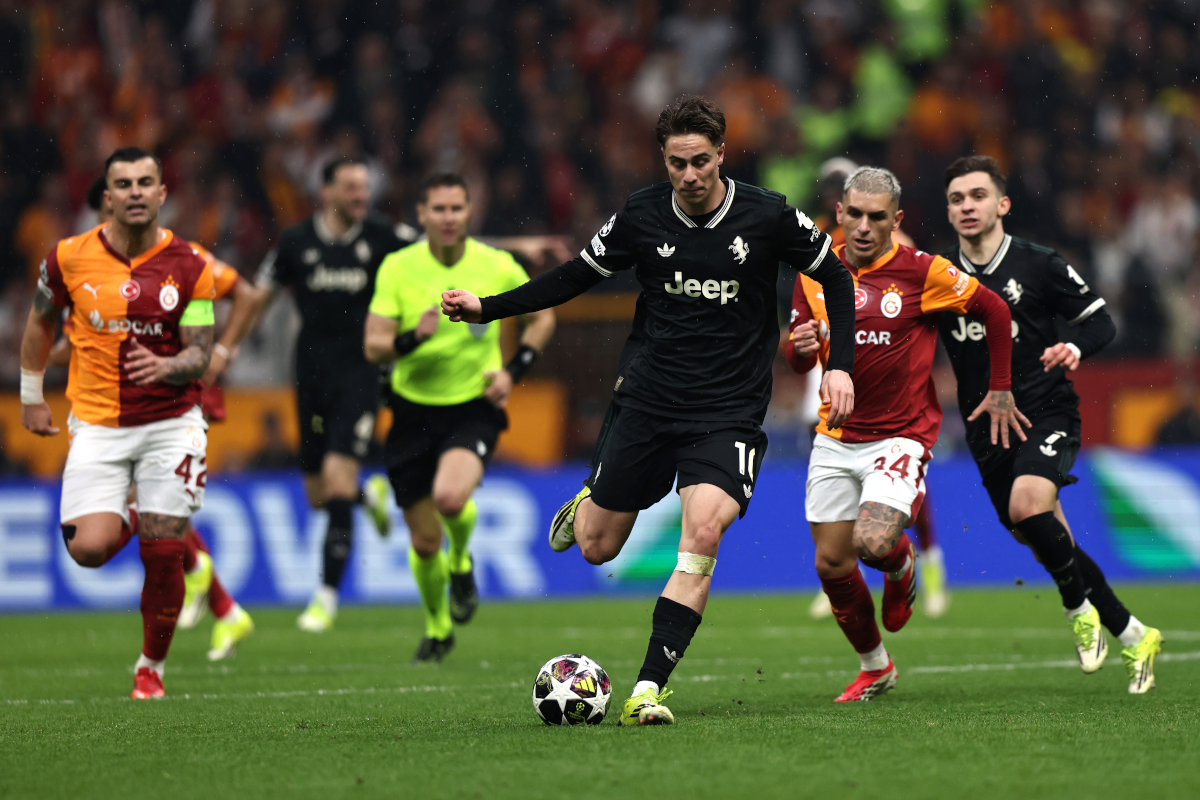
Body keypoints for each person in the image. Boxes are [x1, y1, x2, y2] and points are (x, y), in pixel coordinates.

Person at [441, 96, 858, 725]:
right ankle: (588, 499)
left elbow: (840, 278)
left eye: (699, 161)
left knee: (704, 532)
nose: (688, 175)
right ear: (663, 162)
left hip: (727, 411)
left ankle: (647, 689)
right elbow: (574, 277)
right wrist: (488, 307)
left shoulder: (768, 215)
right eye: (676, 163)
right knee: (596, 547)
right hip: (648, 399)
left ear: (721, 155)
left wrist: (842, 363)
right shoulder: (640, 214)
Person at [786, 166, 1019, 702]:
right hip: (835, 435)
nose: (864, 227)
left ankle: (902, 563)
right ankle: (876, 668)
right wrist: (796, 350)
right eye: (856, 215)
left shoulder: (922, 272)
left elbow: (994, 309)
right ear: (839, 214)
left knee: (872, 542)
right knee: (831, 563)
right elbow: (799, 361)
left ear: (897, 220)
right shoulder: (811, 273)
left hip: (900, 435)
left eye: (877, 217)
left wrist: (1001, 386)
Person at [938, 155, 1163, 694]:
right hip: (986, 428)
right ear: (949, 212)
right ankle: (1134, 634)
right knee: (1041, 536)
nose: (967, 206)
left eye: (977, 195)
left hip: (1046, 411)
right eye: (956, 199)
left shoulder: (1039, 264)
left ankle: (1074, 607)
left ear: (1002, 204)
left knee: (1026, 507)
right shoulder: (938, 277)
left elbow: (1103, 321)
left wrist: (1074, 346)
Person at [19, 147, 217, 699]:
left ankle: (150, 666)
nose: (134, 192)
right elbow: (39, 323)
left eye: (145, 182)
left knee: (163, 552)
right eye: (123, 183)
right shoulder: (67, 257)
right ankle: (136, 510)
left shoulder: (192, 264)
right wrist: (31, 396)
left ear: (162, 193)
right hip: (98, 423)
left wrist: (168, 365)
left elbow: (201, 352)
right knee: (86, 550)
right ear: (107, 197)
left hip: (171, 421)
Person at [50, 175, 259, 661]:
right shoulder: (87, 268)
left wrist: (222, 353)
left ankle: (201, 574)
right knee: (148, 500)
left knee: (150, 500)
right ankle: (224, 606)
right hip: (108, 406)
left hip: (169, 397)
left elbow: (246, 294)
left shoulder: (185, 259)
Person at [364, 173, 556, 663]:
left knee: (451, 497)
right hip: (410, 410)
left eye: (457, 209)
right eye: (439, 209)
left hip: (473, 406)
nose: (448, 218)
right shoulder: (398, 268)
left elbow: (543, 316)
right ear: (421, 215)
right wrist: (414, 339)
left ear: (469, 213)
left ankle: (463, 560)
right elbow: (373, 345)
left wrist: (515, 371)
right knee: (424, 542)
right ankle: (438, 627)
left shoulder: (496, 265)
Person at [251, 157, 414, 632]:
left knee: (337, 480)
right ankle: (369, 496)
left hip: (362, 374)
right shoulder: (296, 242)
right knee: (320, 494)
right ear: (325, 192)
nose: (361, 197)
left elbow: (447, 247)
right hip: (310, 377)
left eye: (365, 188)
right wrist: (224, 347)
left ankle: (325, 596)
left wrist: (520, 245)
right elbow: (257, 296)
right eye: (351, 189)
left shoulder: (382, 235)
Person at [802, 160, 947, 621]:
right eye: (829, 190)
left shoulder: (901, 251)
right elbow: (800, 328)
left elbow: (923, 307)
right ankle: (844, 568)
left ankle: (926, 562)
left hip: (890, 386)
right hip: (831, 370)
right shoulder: (819, 246)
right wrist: (801, 346)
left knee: (891, 499)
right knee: (835, 478)